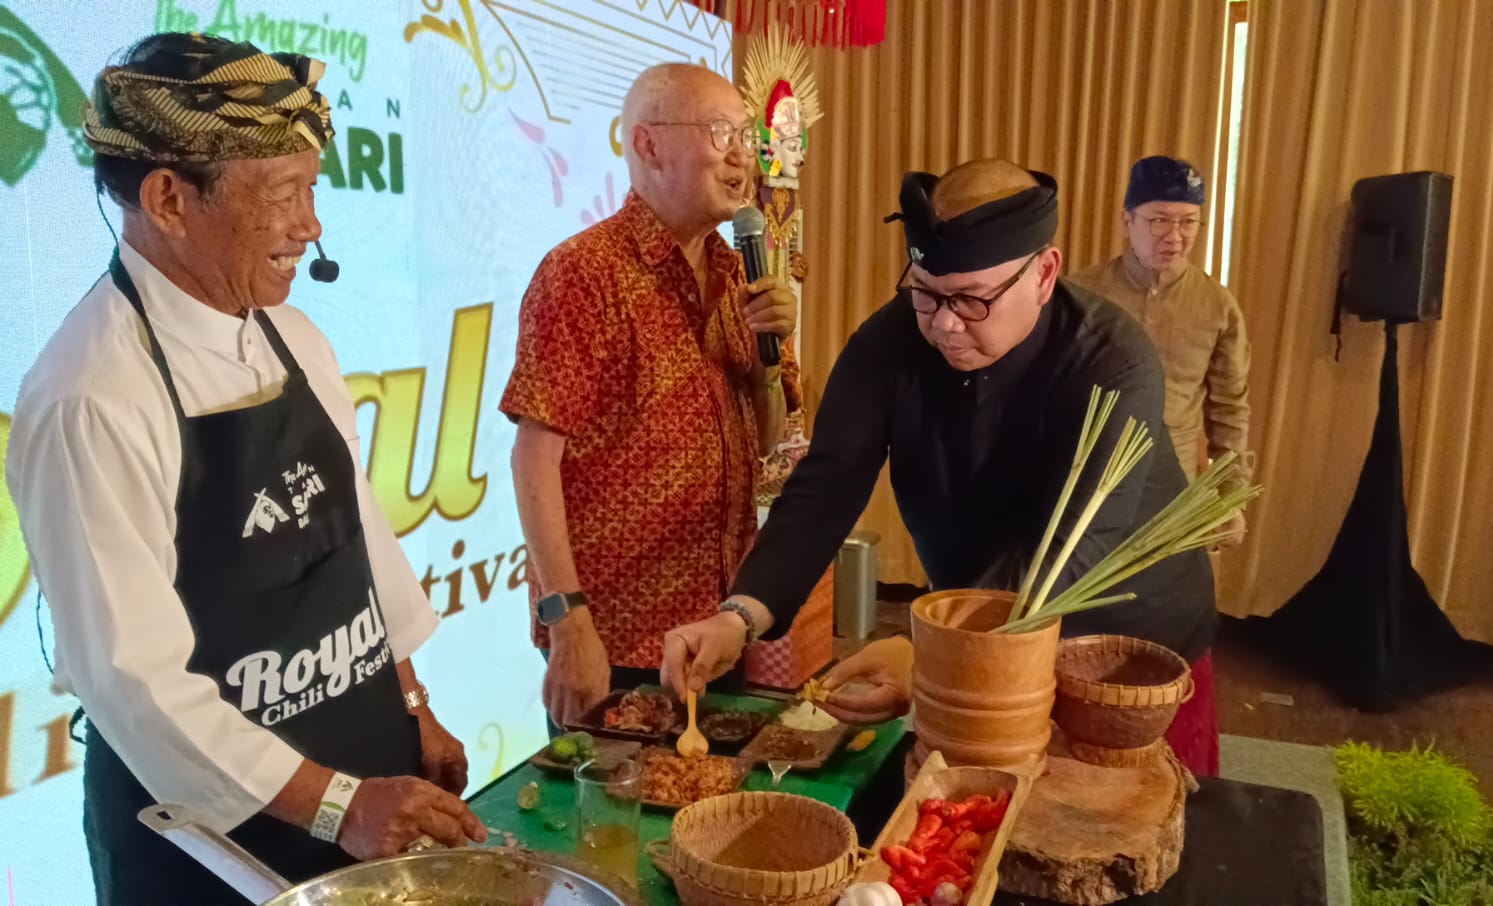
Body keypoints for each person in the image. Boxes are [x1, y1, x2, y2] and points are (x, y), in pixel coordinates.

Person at [6, 34, 485, 904]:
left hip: (367, 777)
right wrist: (337, 805)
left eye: (312, 190)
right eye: (283, 194)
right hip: (215, 842)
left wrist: (412, 707)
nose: (311, 225)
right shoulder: (91, 395)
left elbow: (357, 546)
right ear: (169, 198)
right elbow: (134, 682)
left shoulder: (296, 338)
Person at [660, 159, 1225, 776]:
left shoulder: (1111, 360)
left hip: (1119, 645)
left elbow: (1074, 545)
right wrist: (739, 616)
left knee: (1115, 813)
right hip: (973, 628)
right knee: (969, 812)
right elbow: (826, 487)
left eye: (973, 299)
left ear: (1044, 273)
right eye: (926, 293)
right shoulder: (892, 341)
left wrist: (932, 652)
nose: (946, 324)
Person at [499, 63, 798, 730]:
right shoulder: (583, 273)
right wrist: (567, 621)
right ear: (647, 144)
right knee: (616, 797)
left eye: (746, 137)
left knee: (711, 795)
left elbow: (771, 439)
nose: (741, 157)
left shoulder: (738, 272)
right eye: (720, 132)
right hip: (616, 638)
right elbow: (533, 458)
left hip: (718, 623)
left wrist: (766, 366)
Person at [1068, 156, 1253, 543]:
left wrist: (1229, 498)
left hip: (1172, 488)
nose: (1175, 236)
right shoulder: (1079, 295)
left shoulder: (1218, 306)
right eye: (1159, 220)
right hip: (1084, 479)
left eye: (1188, 222)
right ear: (1127, 221)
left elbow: (1230, 410)